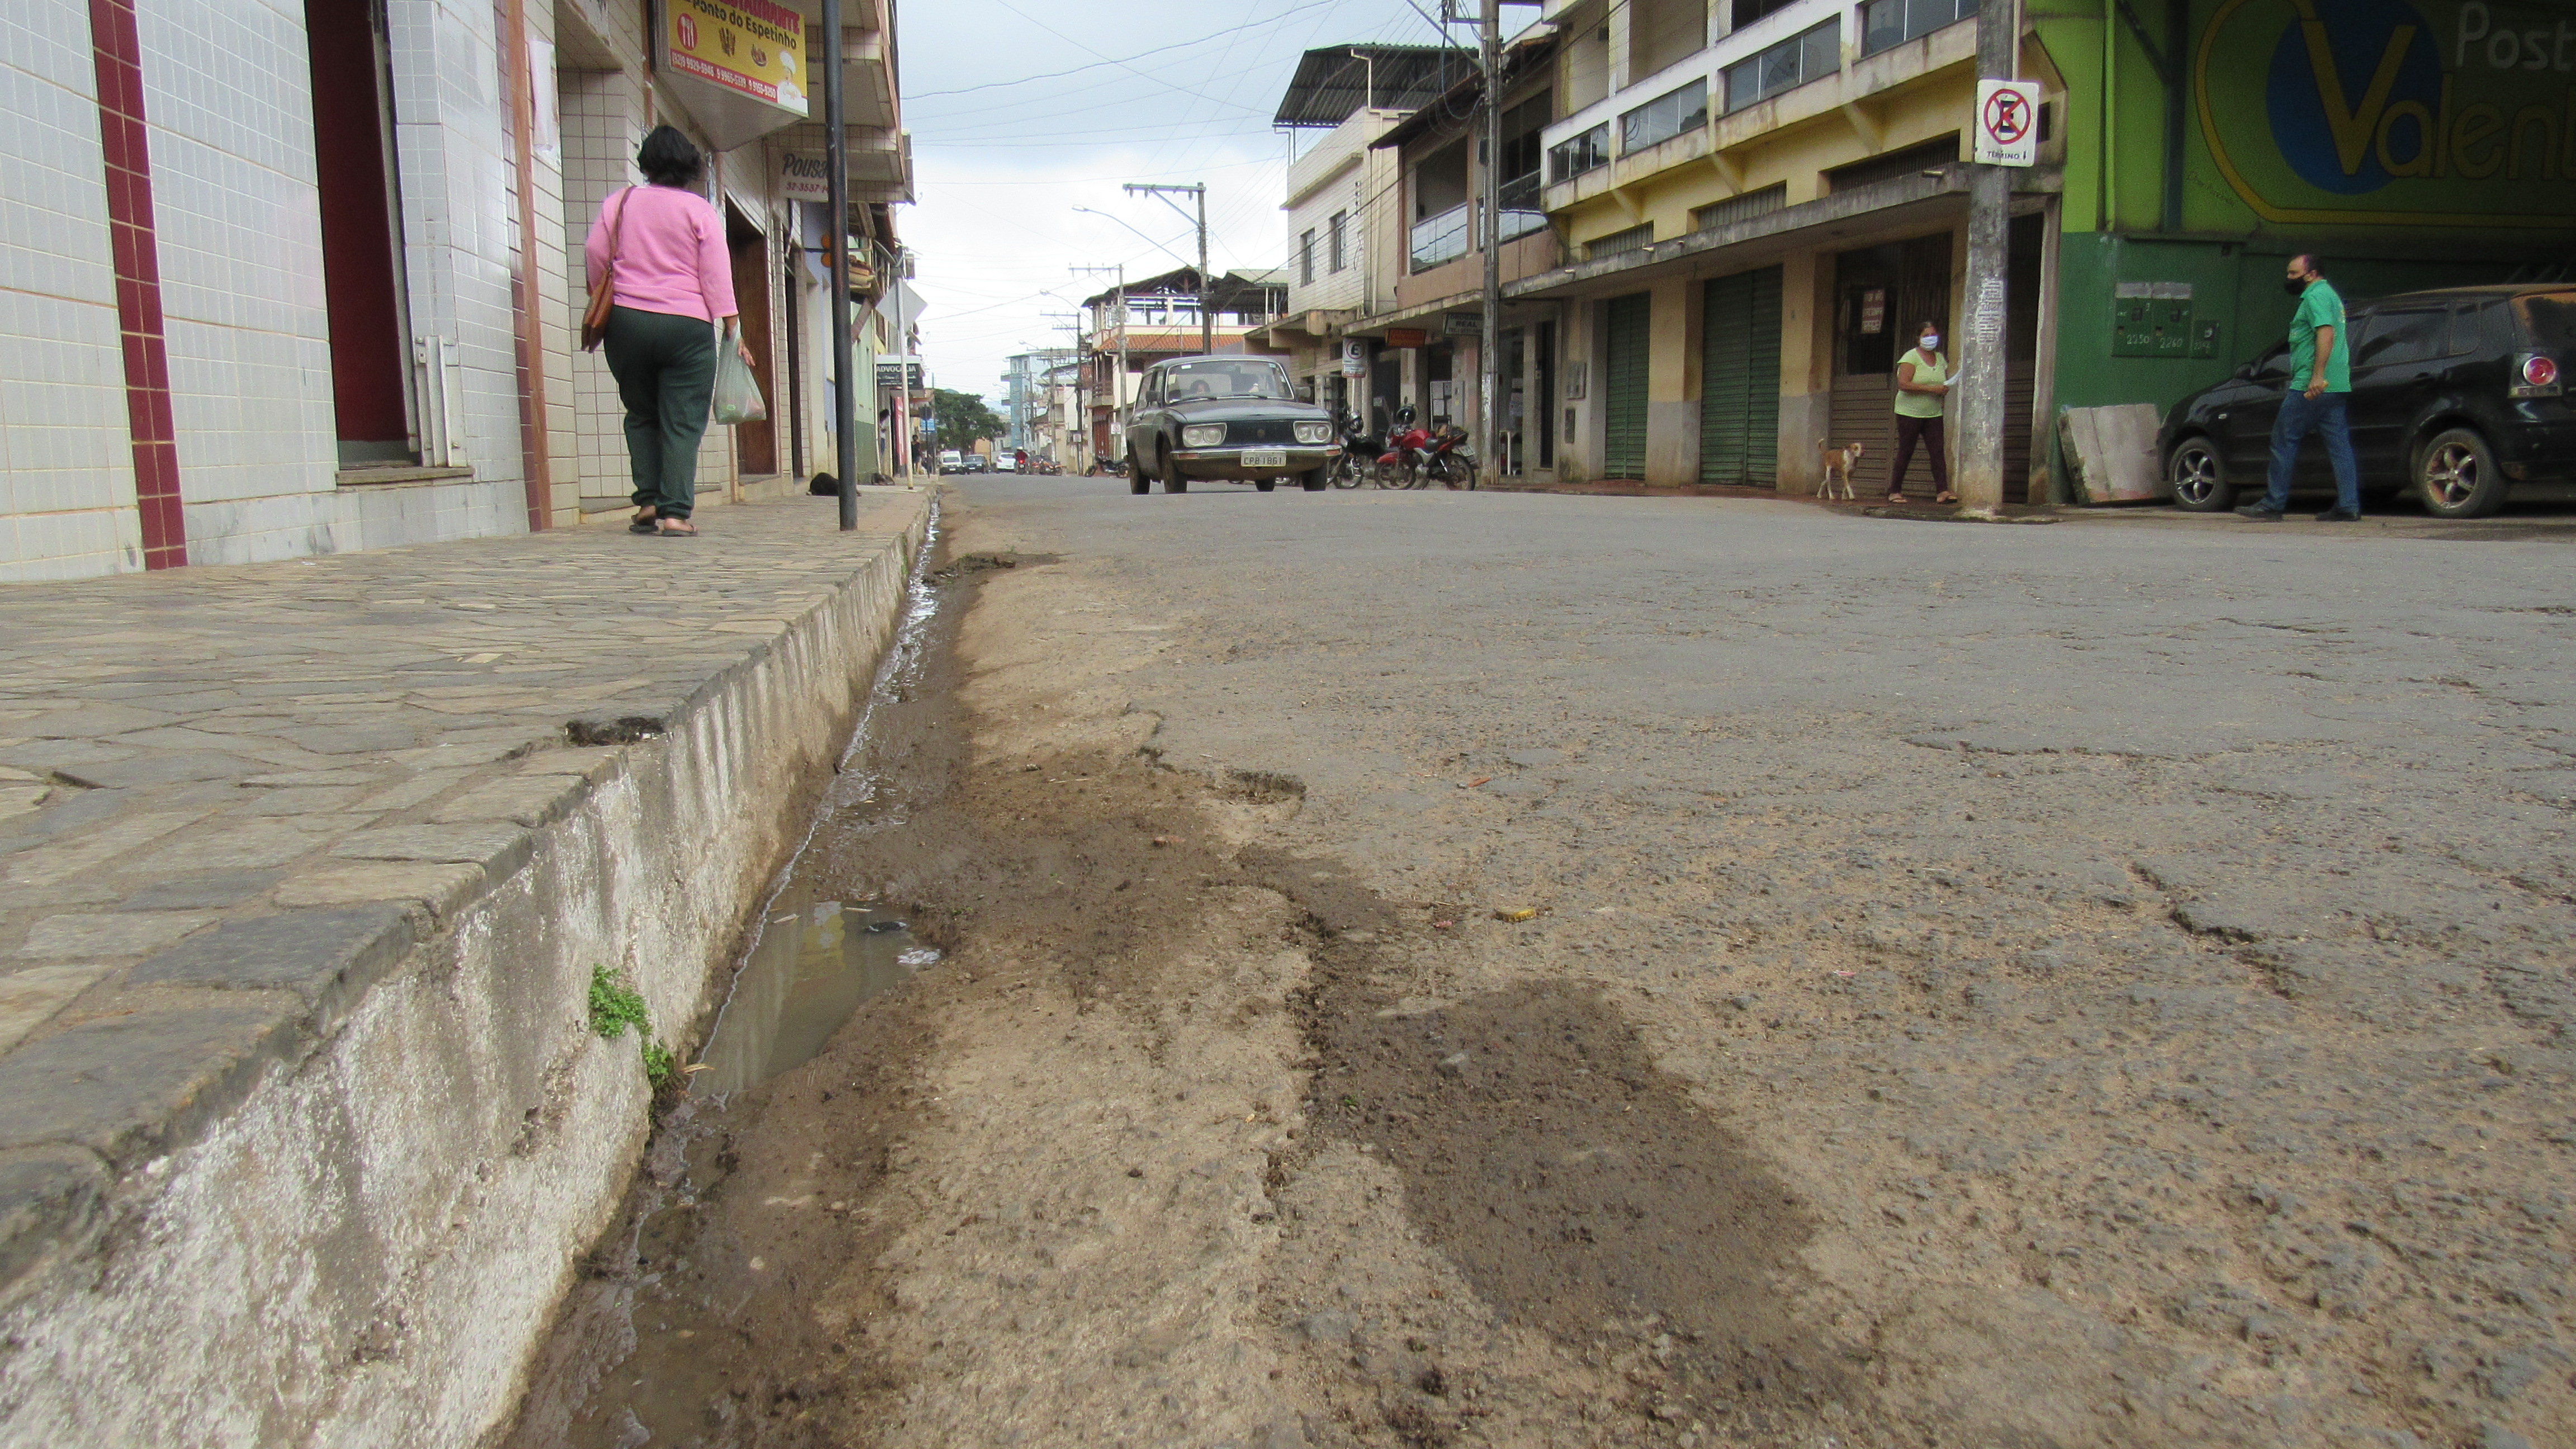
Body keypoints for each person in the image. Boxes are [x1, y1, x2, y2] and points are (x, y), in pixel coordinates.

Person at [584, 125, 752, 538]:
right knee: (682, 420)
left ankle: (647, 503)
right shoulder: (699, 212)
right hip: (688, 326)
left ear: (647, 163)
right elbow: (715, 272)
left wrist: (605, 298)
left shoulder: (619, 203)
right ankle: (676, 515)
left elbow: (594, 253)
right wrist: (732, 326)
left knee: (641, 413)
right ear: (691, 168)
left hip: (627, 321)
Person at [2238, 253, 2359, 522]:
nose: (2289, 279)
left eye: (2293, 274)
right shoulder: (2331, 295)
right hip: (2337, 384)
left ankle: (2273, 505)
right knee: (2340, 445)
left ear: (2311, 274)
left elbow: (2325, 333)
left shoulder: (2315, 296)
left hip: (2311, 385)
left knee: (2284, 439)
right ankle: (2349, 505)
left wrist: (2316, 376)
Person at [1888, 321, 1955, 505]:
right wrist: (1932, 390)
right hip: (1909, 413)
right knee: (1906, 450)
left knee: (1937, 451)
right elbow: (1904, 384)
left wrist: (1943, 389)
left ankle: (1943, 491)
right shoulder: (1911, 357)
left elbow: (1942, 380)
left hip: (1933, 413)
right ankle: (1895, 491)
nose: (1930, 338)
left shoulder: (1940, 358)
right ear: (1918, 338)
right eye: (1926, 335)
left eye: (1933, 334)